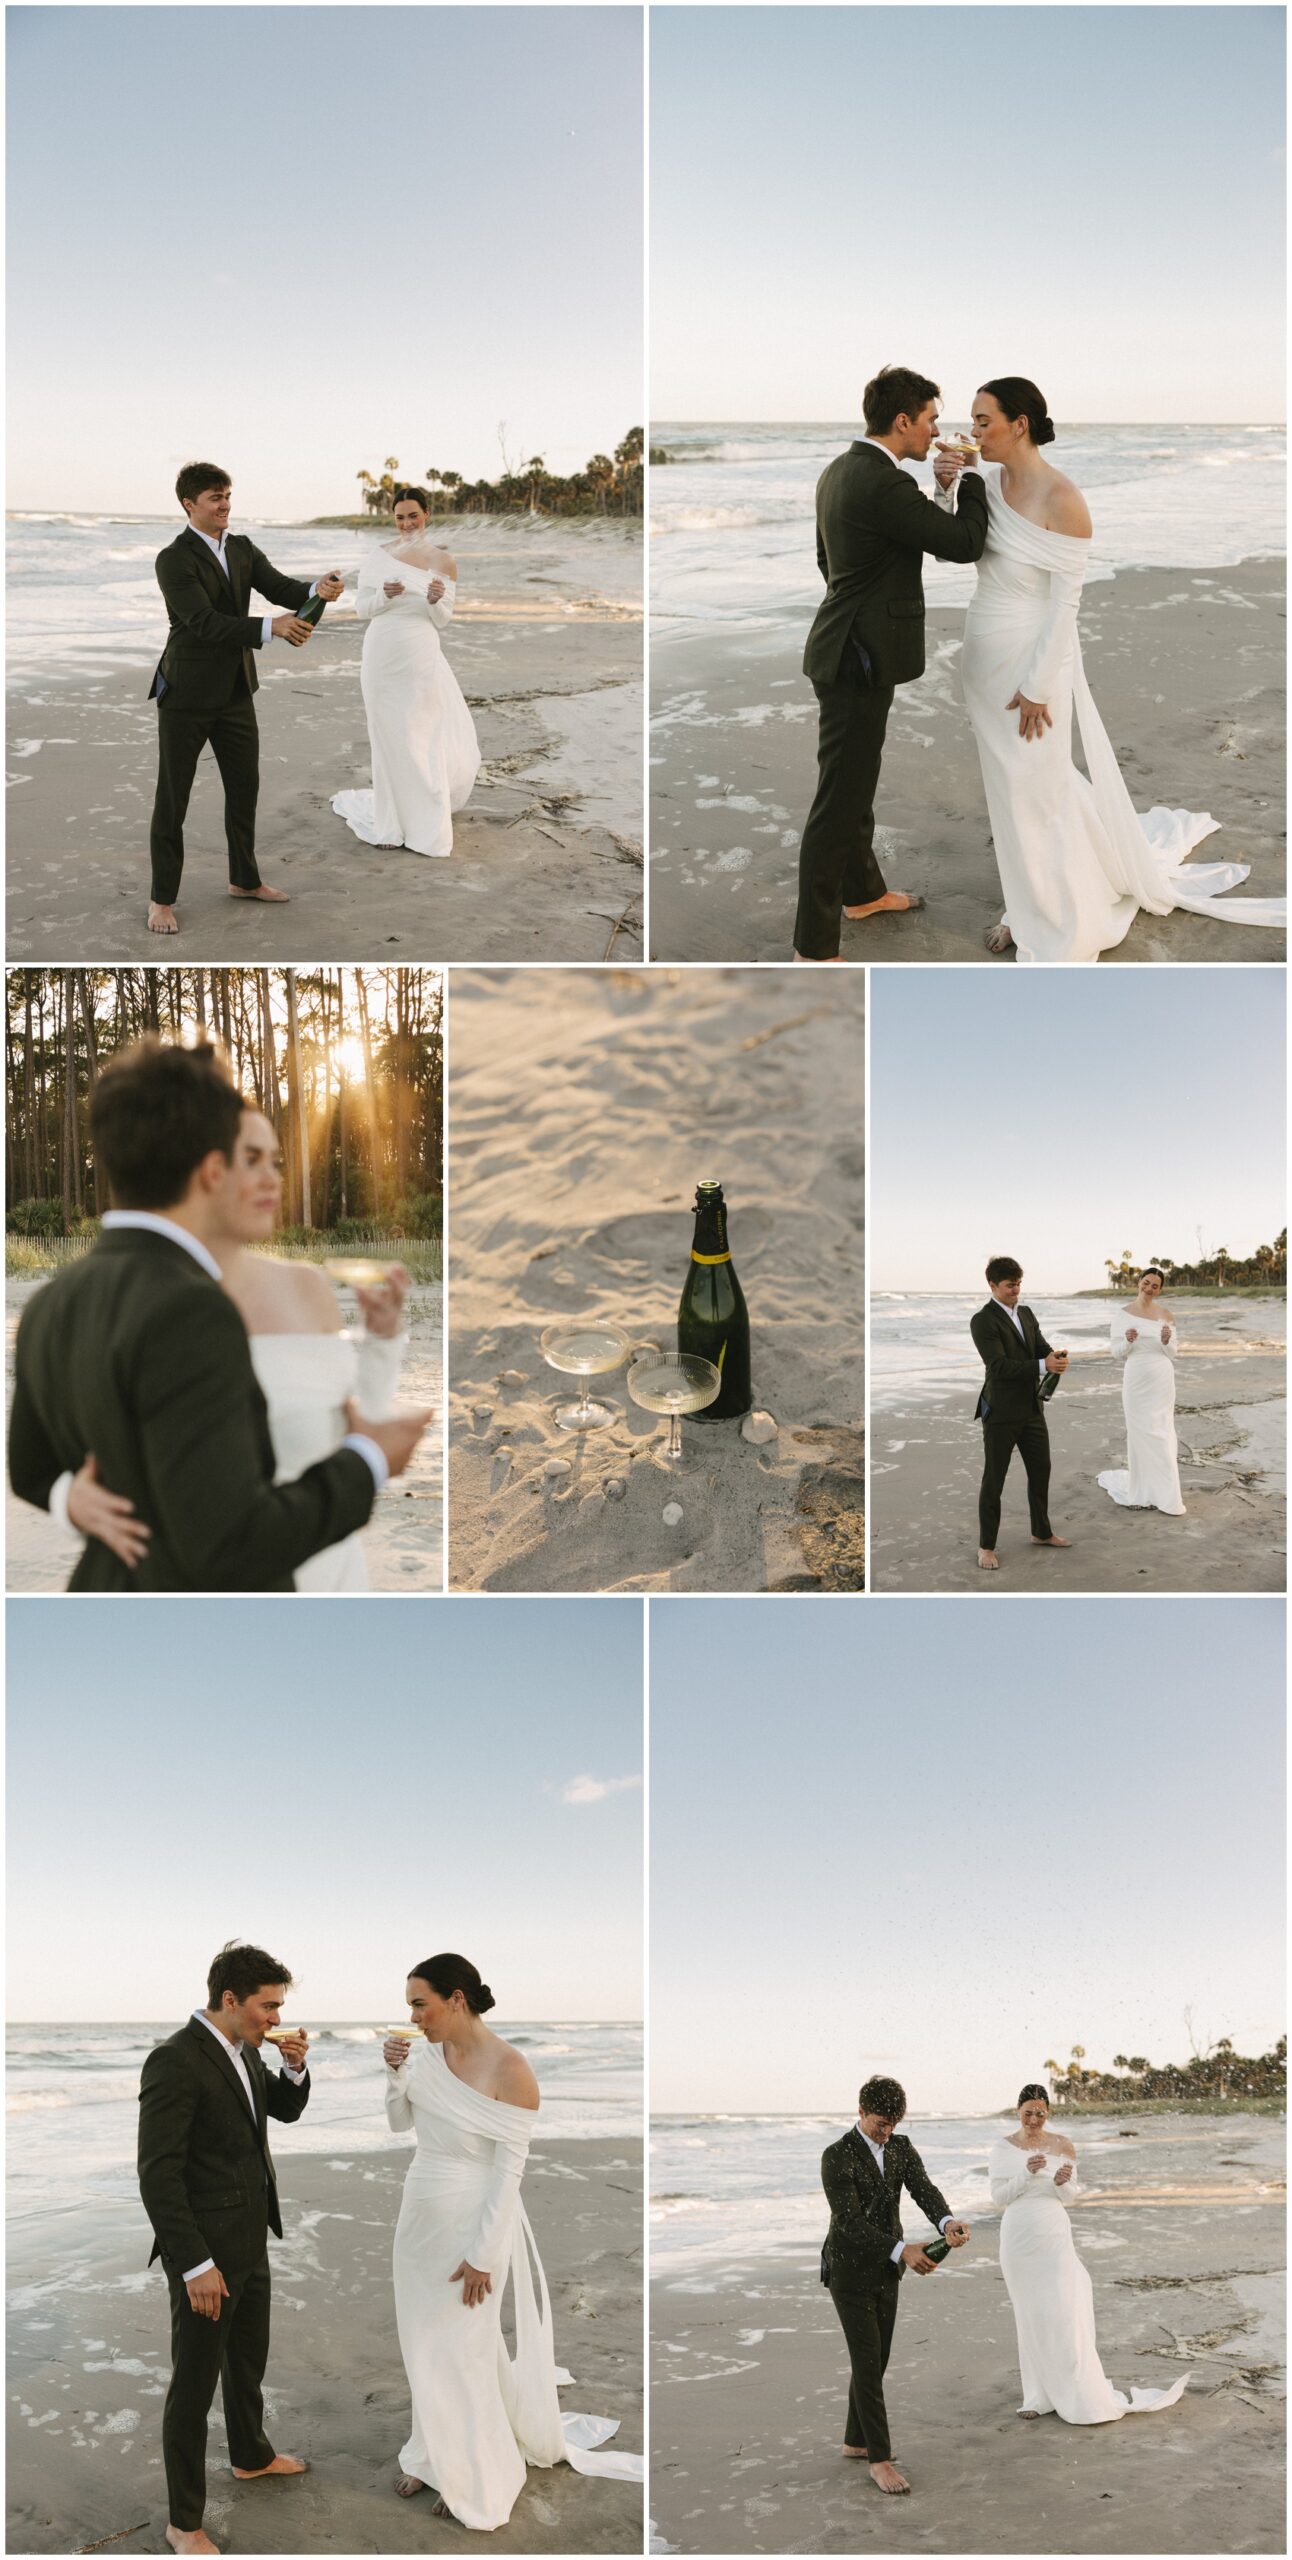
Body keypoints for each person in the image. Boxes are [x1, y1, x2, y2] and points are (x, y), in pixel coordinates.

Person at [8, 1039, 429, 1590]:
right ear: (212, 1170)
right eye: (245, 1157)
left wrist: (382, 1344)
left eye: (272, 1160)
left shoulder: (47, 1304)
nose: (266, 1178)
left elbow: (28, 1467)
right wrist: (370, 1461)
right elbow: (232, 1544)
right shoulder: (191, 1311)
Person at [934, 383, 1286, 961]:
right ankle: (1023, 905)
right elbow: (957, 545)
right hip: (983, 651)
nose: (971, 432)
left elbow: (1064, 605)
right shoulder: (985, 483)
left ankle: (1055, 915)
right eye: (970, 422)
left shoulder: (1063, 498)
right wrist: (946, 485)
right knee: (1010, 790)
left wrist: (1039, 687)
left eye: (982, 420)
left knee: (1039, 789)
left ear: (1019, 424)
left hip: (1033, 662)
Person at [382, 1954, 643, 2530]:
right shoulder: (427, 2055)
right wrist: (396, 2075)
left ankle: (473, 2471)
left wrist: (482, 2255)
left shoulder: (511, 2069)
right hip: (419, 2219)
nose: (412, 2017)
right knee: (423, 2344)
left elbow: (508, 2174)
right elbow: (402, 2124)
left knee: (463, 2348)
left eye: (419, 2004)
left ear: (455, 1999)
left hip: (472, 2226)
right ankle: (431, 2453)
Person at [793, 366, 988, 963]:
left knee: (854, 783)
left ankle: (864, 894)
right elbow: (962, 544)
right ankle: (813, 947)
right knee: (838, 800)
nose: (937, 432)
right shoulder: (880, 483)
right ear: (903, 420)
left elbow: (831, 559)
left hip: (844, 647)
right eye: (931, 420)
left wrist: (937, 488)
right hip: (858, 658)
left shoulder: (843, 470)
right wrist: (973, 479)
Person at [137, 1942, 313, 2557]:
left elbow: (283, 2112)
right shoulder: (175, 2060)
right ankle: (184, 2522)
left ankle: (251, 2456)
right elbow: (158, 2175)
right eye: (269, 2007)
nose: (277, 2019)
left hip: (251, 2239)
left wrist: (294, 2067)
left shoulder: (244, 2052)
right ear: (230, 1999)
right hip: (206, 2255)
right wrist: (195, 2264)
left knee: (247, 2362)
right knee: (194, 2385)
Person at [148, 463, 344, 936]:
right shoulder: (172, 559)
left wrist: (318, 590)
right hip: (186, 694)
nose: (225, 505)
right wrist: (269, 627)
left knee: (244, 788)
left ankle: (245, 880)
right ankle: (161, 900)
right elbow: (204, 622)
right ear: (189, 505)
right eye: (215, 497)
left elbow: (282, 588)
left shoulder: (241, 548)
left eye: (228, 495)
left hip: (236, 689)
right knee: (173, 798)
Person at [989, 2084, 1190, 2423]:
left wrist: (1062, 2182)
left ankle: (1075, 2387)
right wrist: (1025, 2173)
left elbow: (1070, 2196)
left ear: (1048, 2113)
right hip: (1018, 2236)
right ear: (1017, 2111)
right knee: (1030, 2315)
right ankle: (1037, 2396)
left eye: (1040, 2112)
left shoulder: (1063, 2144)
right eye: (1028, 2112)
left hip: (1053, 2233)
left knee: (1063, 2309)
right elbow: (998, 2197)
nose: (1034, 2118)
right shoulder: (1002, 2148)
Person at [819, 2073, 971, 2497]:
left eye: (893, 2125)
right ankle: (879, 2459)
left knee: (877, 2359)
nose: (886, 2134)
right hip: (848, 2271)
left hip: (887, 2270)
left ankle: (855, 2441)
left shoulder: (900, 2148)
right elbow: (848, 2225)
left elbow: (924, 2189)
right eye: (880, 2124)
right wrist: (904, 2249)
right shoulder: (837, 2156)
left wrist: (947, 2222)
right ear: (861, 2111)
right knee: (868, 2362)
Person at [333, 484, 481, 857]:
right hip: (382, 654)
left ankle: (426, 824)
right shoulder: (378, 556)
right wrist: (384, 595)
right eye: (399, 517)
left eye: (413, 515)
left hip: (419, 654)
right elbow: (362, 609)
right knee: (387, 737)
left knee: (421, 734)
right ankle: (390, 822)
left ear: (426, 514)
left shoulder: (444, 562)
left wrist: (434, 602)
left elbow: (443, 619)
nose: (406, 523)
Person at [970, 1256, 1072, 1571]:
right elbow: (998, 1367)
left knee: (1041, 1469)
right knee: (994, 1479)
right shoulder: (982, 1320)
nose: (1016, 1291)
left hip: (1031, 1408)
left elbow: (1040, 1346)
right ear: (992, 1285)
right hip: (1000, 1411)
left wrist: (1053, 1356)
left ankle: (1041, 1532)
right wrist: (1044, 1365)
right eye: (1010, 1285)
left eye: (1019, 1284)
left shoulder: (1026, 1313)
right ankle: (986, 1546)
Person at [1097, 1266, 1185, 1515]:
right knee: (1140, 1433)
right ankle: (1143, 1489)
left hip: (1161, 1379)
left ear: (1160, 1290)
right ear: (1139, 1282)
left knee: (1162, 1431)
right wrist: (1127, 1341)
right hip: (1136, 1380)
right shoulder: (1123, 1315)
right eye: (1146, 1283)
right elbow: (1116, 1353)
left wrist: (1167, 1341)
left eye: (1154, 1286)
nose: (1148, 1289)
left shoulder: (1166, 1314)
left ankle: (1166, 1493)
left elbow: (1173, 1352)